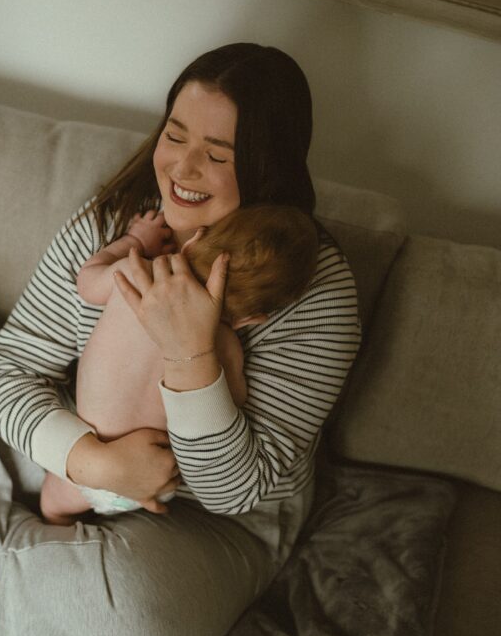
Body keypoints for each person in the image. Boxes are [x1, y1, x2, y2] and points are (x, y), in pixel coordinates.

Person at [0, 42, 362, 636]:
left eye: (217, 155)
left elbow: (232, 490)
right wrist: (91, 461)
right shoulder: (121, 227)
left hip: (204, 521)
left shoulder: (307, 288)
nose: (183, 167)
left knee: (131, 630)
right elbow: (10, 369)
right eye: (174, 135)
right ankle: (20, 606)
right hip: (85, 439)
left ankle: (9, 595)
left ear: (267, 167)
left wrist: (191, 353)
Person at [40, 204, 320, 525]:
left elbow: (87, 282)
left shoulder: (136, 273)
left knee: (53, 503)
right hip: (149, 479)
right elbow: (231, 406)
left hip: (80, 447)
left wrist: (134, 241)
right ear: (252, 319)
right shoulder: (224, 348)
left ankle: (54, 518)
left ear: (191, 242)